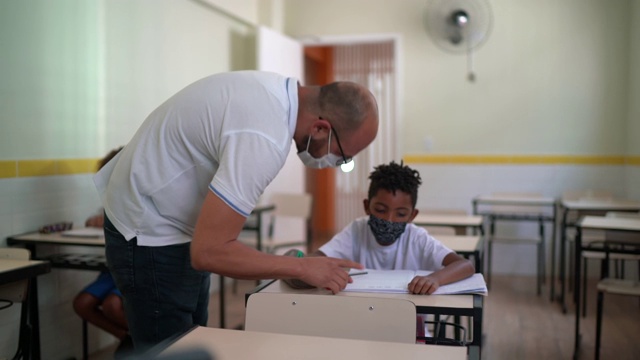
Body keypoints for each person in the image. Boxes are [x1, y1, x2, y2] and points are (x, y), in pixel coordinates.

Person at [94, 70, 379, 350]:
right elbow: (209, 252)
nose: (336, 163)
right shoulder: (265, 137)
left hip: (175, 224)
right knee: (170, 350)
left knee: (193, 341)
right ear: (320, 128)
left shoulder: (276, 92)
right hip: (146, 229)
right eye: (343, 157)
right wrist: (302, 266)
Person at [284, 161, 475, 336]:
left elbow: (466, 265)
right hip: (360, 326)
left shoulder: (417, 238)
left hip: (410, 330)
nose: (389, 220)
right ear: (367, 207)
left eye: (400, 214)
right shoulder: (357, 231)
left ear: (412, 215)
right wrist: (299, 261)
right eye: (381, 210)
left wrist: (435, 278)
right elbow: (315, 259)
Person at [73, 147, 133, 356]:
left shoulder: (137, 201)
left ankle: (142, 342)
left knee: (112, 305)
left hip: (132, 268)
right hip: (112, 269)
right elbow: (94, 219)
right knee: (82, 304)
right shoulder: (111, 202)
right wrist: (96, 220)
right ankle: (128, 337)